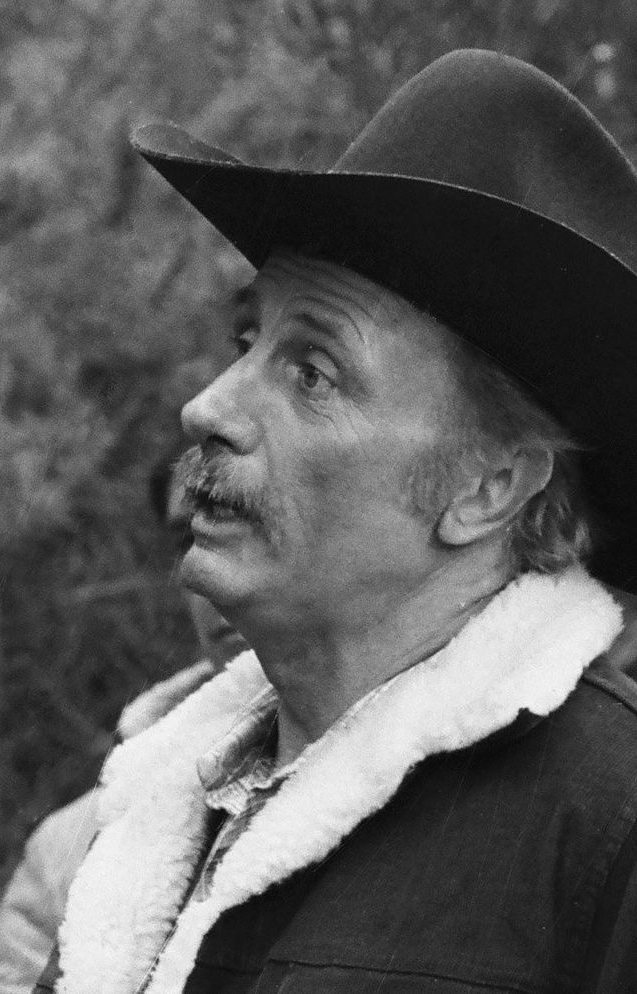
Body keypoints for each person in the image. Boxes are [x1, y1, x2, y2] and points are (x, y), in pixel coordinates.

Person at [36, 49, 637, 994]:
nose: (208, 408)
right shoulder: (156, 812)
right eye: (247, 340)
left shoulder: (608, 826)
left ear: (487, 488)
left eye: (312, 372)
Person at [0, 468, 246, 994]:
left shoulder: (411, 787)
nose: (215, 573)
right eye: (192, 537)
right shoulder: (76, 843)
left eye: (249, 520)